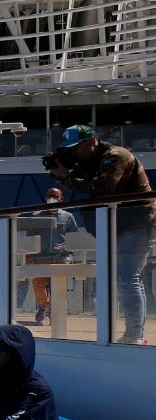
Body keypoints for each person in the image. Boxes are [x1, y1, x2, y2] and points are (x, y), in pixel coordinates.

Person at [44, 123, 155, 343]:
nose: (74, 152)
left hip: (136, 223)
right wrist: (62, 172)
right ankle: (134, 333)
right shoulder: (92, 162)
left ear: (91, 142)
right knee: (126, 279)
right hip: (118, 226)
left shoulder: (116, 156)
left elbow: (101, 189)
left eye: (77, 147)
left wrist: (67, 176)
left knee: (128, 279)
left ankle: (134, 335)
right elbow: (85, 184)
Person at [16, 188, 81, 325]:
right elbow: (31, 238)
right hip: (40, 257)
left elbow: (74, 237)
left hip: (61, 257)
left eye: (55, 196)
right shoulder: (36, 216)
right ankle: (45, 306)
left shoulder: (68, 217)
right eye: (49, 196)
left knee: (59, 286)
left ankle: (53, 312)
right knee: (38, 284)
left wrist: (67, 248)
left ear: (61, 199)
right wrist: (29, 256)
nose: (51, 198)